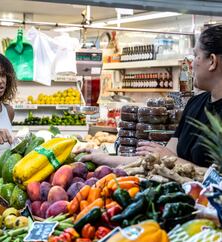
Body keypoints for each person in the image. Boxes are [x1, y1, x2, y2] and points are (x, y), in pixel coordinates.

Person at [78, 24, 222, 169]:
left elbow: (215, 178)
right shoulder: (195, 104)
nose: (190, 65)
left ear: (212, 61)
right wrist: (105, 159)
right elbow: (163, 159)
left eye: (196, 56)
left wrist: (170, 158)